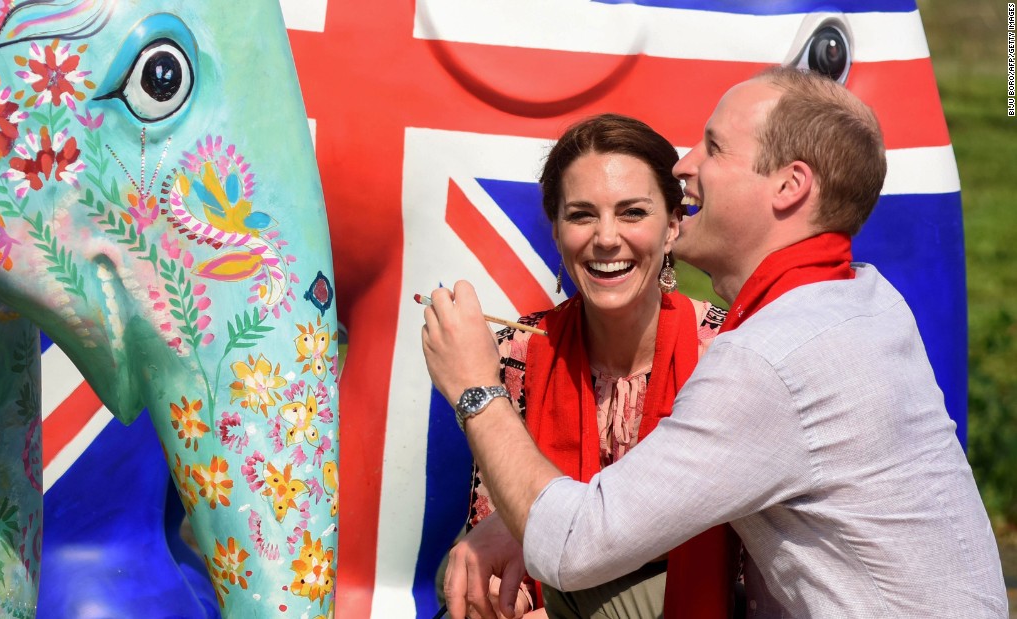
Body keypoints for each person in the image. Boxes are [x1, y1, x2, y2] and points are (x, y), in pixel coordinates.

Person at [421, 66, 1009, 619]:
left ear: (789, 185)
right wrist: (521, 522)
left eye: (715, 148)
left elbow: (574, 544)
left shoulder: (769, 357)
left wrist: (475, 388)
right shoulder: (864, 299)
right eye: (581, 215)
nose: (685, 165)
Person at [451, 113, 737, 619]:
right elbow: (496, 523)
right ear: (557, 232)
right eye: (582, 215)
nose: (606, 238)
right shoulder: (515, 352)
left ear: (672, 225)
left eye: (632, 213)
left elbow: (740, 559)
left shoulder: (727, 351)